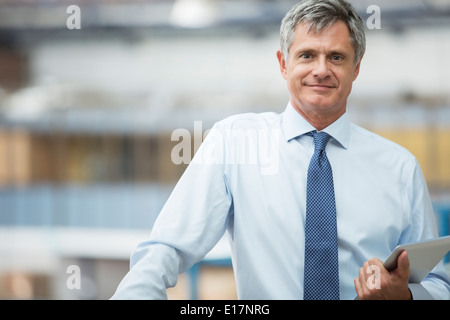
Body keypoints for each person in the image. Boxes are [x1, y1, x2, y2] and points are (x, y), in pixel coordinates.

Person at [111, 0, 450, 300]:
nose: (321, 69)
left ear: (356, 68)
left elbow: (437, 282)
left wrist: (403, 296)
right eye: (307, 55)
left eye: (336, 57)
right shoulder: (234, 143)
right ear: (283, 64)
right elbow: (167, 248)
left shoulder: (400, 167)